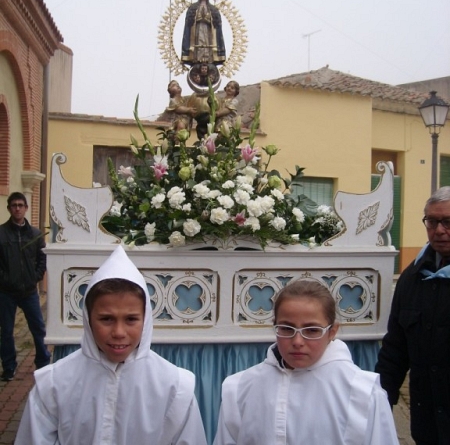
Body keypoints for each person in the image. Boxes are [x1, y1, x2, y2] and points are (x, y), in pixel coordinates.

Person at [15, 245, 207, 444]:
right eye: (106, 319)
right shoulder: (54, 384)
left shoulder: (174, 386)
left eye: (131, 319)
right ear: (88, 320)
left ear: (146, 319)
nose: (118, 333)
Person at [213, 280, 399, 445]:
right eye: (287, 328)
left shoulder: (363, 393)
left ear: (332, 331)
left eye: (311, 330)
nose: (297, 341)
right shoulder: (241, 388)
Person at [375, 186, 450, 445]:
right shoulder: (412, 277)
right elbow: (395, 348)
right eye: (432, 221)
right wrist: (380, 401)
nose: (439, 230)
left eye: (448, 222)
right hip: (427, 420)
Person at [0, 192, 50, 381]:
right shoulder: (1, 233)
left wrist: (35, 277)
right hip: (6, 292)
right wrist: (5, 280)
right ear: (9, 209)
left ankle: (43, 363)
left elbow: (42, 258)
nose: (18, 208)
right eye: (14, 205)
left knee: (38, 328)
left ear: (26, 208)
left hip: (29, 291)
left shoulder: (35, 234)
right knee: (6, 331)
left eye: (21, 205)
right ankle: (9, 366)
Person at [181, 0, 226, 65]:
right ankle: (198, 59)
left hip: (209, 31)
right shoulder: (193, 8)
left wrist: (210, 19)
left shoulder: (213, 9)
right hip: (197, 30)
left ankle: (208, 59)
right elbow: (189, 24)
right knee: (199, 42)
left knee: (207, 43)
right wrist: (196, 19)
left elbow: (217, 24)